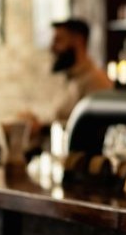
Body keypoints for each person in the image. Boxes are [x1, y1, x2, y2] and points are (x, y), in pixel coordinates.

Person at [20, 18, 113, 152]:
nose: (52, 48)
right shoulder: (70, 78)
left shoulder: (96, 81)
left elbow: (90, 133)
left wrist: (42, 128)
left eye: (58, 40)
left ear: (78, 41)